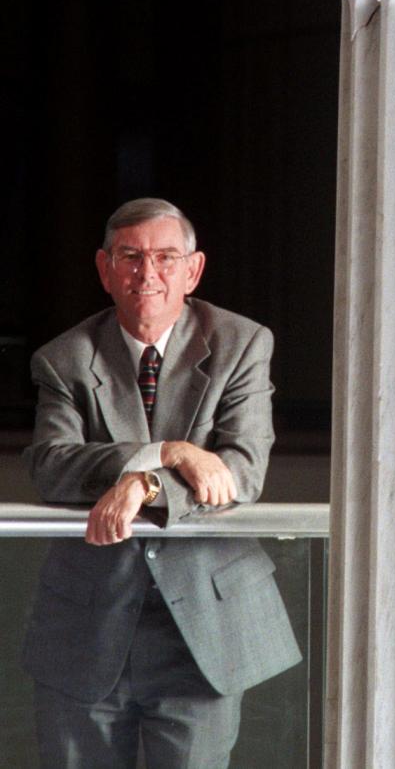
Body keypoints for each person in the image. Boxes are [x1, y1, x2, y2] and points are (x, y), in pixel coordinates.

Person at [22, 197, 302, 769]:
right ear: (104, 269)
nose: (147, 273)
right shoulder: (64, 359)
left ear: (193, 270)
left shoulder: (243, 343)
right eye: (130, 257)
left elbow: (240, 473)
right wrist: (166, 454)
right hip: (87, 628)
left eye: (165, 257)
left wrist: (144, 487)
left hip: (203, 628)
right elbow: (52, 464)